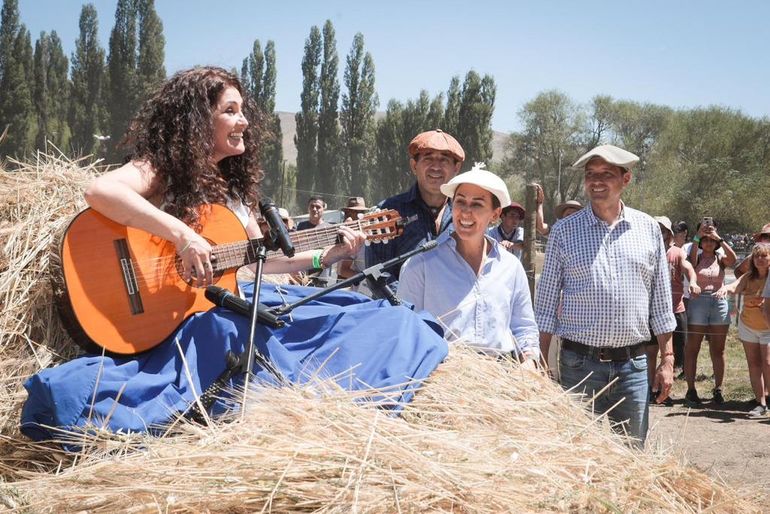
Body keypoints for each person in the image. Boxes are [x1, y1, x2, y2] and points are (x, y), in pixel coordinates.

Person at [23, 66, 450, 442]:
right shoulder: (163, 167)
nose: (243, 120)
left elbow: (260, 259)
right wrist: (181, 236)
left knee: (362, 313)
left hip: (225, 299)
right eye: (230, 110)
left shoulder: (235, 191)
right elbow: (100, 191)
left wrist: (328, 254)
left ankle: (356, 400)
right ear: (196, 120)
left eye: (242, 110)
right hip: (171, 318)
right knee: (246, 333)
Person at [535, 144, 676, 447]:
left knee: (631, 454)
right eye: (591, 175)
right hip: (578, 366)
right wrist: (541, 361)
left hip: (633, 367)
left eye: (606, 174)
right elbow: (545, 305)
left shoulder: (648, 229)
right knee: (579, 453)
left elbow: (662, 304)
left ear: (626, 179)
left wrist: (667, 359)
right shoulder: (564, 231)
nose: (596, 181)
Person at [399, 164, 539, 361]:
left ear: (495, 215)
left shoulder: (510, 267)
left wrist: (530, 359)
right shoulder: (421, 264)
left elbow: (523, 327)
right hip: (441, 377)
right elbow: (405, 330)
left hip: (502, 378)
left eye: (477, 204)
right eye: (460, 202)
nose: (465, 212)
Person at [365, 129, 463, 285]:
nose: (436, 167)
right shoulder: (386, 213)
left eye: (444, 160)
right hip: (402, 308)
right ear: (414, 165)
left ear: (456, 168)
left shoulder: (467, 215)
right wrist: (408, 307)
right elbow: (377, 274)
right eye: (428, 158)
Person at [644, 216, 700, 403]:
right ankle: (651, 389)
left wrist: (692, 281)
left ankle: (665, 390)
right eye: (657, 229)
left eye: (663, 230)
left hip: (675, 309)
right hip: (650, 311)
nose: (660, 233)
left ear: (669, 234)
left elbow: (688, 267)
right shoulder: (645, 251)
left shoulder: (676, 252)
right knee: (651, 352)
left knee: (672, 353)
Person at [683, 221, 737, 407]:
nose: (708, 243)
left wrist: (719, 238)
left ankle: (718, 389)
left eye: (711, 241)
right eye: (705, 240)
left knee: (718, 348)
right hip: (698, 301)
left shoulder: (720, 259)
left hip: (719, 302)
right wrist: (699, 234)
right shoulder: (696, 257)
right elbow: (691, 255)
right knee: (693, 346)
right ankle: (691, 390)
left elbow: (733, 259)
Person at [716, 243, 770, 417]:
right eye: (756, 257)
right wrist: (725, 288)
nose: (760, 260)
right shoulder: (748, 277)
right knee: (754, 364)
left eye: (764, 256)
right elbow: (735, 286)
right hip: (748, 326)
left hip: (768, 328)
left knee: (768, 363)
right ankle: (760, 403)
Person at [337, 197, 370, 280]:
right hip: (349, 283)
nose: (356, 216)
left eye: (361, 212)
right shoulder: (343, 232)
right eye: (352, 212)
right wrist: (366, 279)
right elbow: (343, 270)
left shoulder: (370, 234)